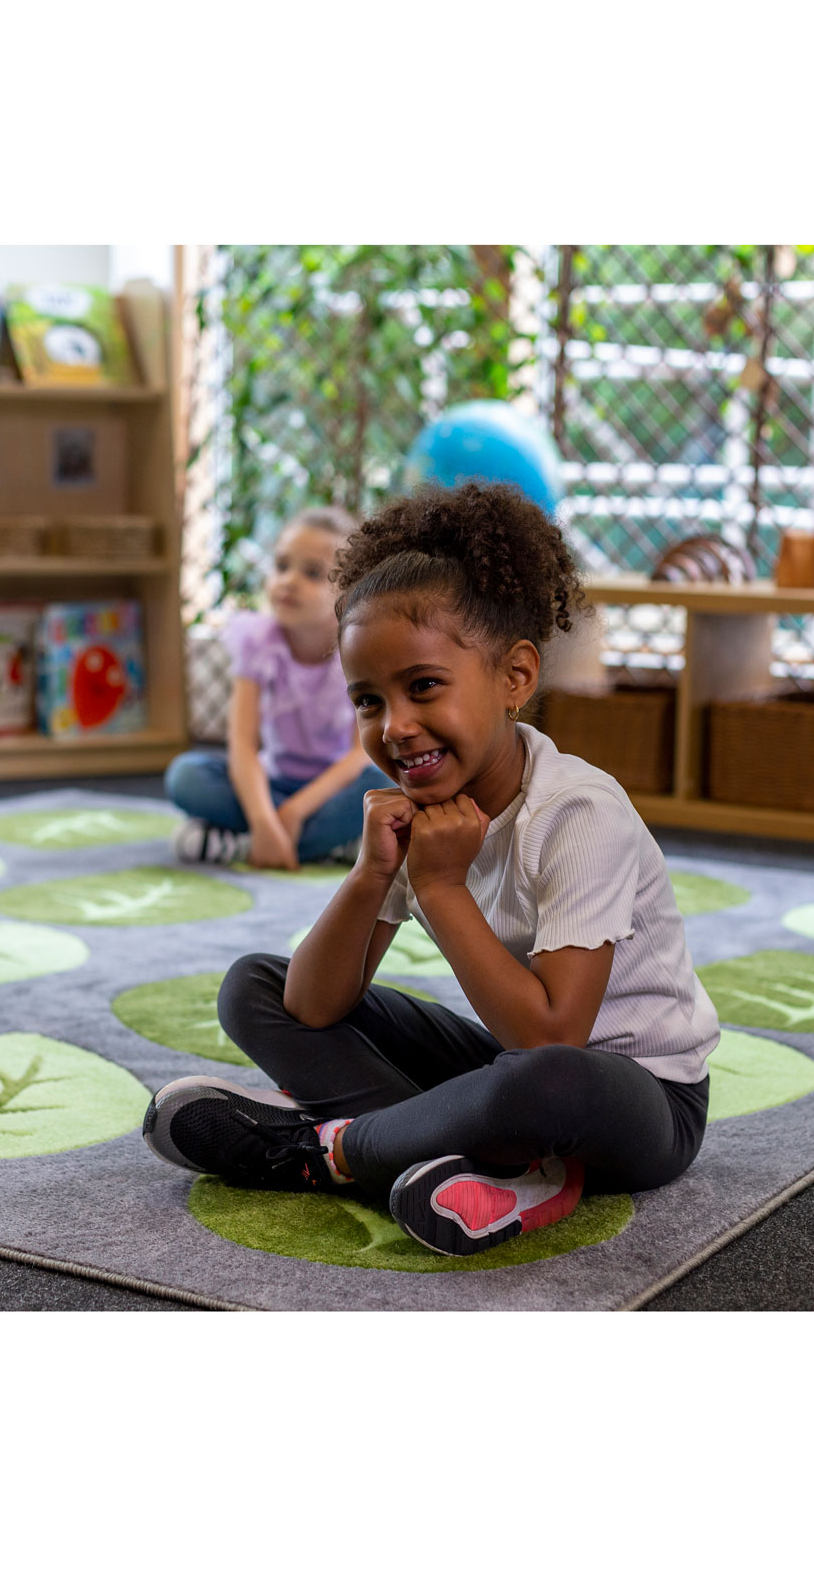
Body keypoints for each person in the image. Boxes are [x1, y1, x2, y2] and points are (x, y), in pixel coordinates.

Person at [142, 480, 719, 1257]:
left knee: (538, 1081)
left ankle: (330, 1151)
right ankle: (467, 1160)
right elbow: (312, 1008)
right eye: (368, 701)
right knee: (253, 987)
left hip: (630, 1098)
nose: (396, 726)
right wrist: (369, 877)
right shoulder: (416, 810)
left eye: (422, 687)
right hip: (505, 1070)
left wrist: (442, 888)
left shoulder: (580, 813)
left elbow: (553, 1035)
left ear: (516, 677)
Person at [167, 507, 388, 868]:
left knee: (383, 782)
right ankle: (328, 846)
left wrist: (295, 812)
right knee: (186, 776)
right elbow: (242, 747)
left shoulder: (355, 653)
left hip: (330, 792)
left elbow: (358, 754)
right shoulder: (257, 643)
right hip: (268, 787)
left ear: (348, 593)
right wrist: (264, 818)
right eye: (282, 566)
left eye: (312, 573)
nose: (289, 581)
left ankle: (239, 846)